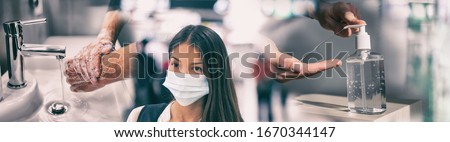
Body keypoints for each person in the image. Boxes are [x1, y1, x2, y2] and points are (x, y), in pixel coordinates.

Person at [65, 1, 366, 93]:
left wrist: (321, 8)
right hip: (155, 84)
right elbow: (121, 6)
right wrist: (105, 38)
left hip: (228, 89)